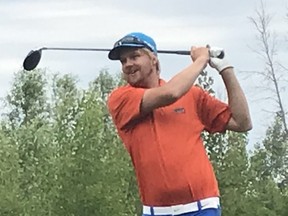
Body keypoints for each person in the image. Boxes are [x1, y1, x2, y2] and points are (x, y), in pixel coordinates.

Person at [107, 32, 252, 216]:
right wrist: (201, 60)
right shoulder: (120, 99)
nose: (128, 64)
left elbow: (242, 122)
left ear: (153, 59)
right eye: (123, 61)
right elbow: (171, 93)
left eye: (134, 56)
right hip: (155, 212)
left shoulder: (193, 95)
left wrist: (225, 68)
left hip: (202, 208)